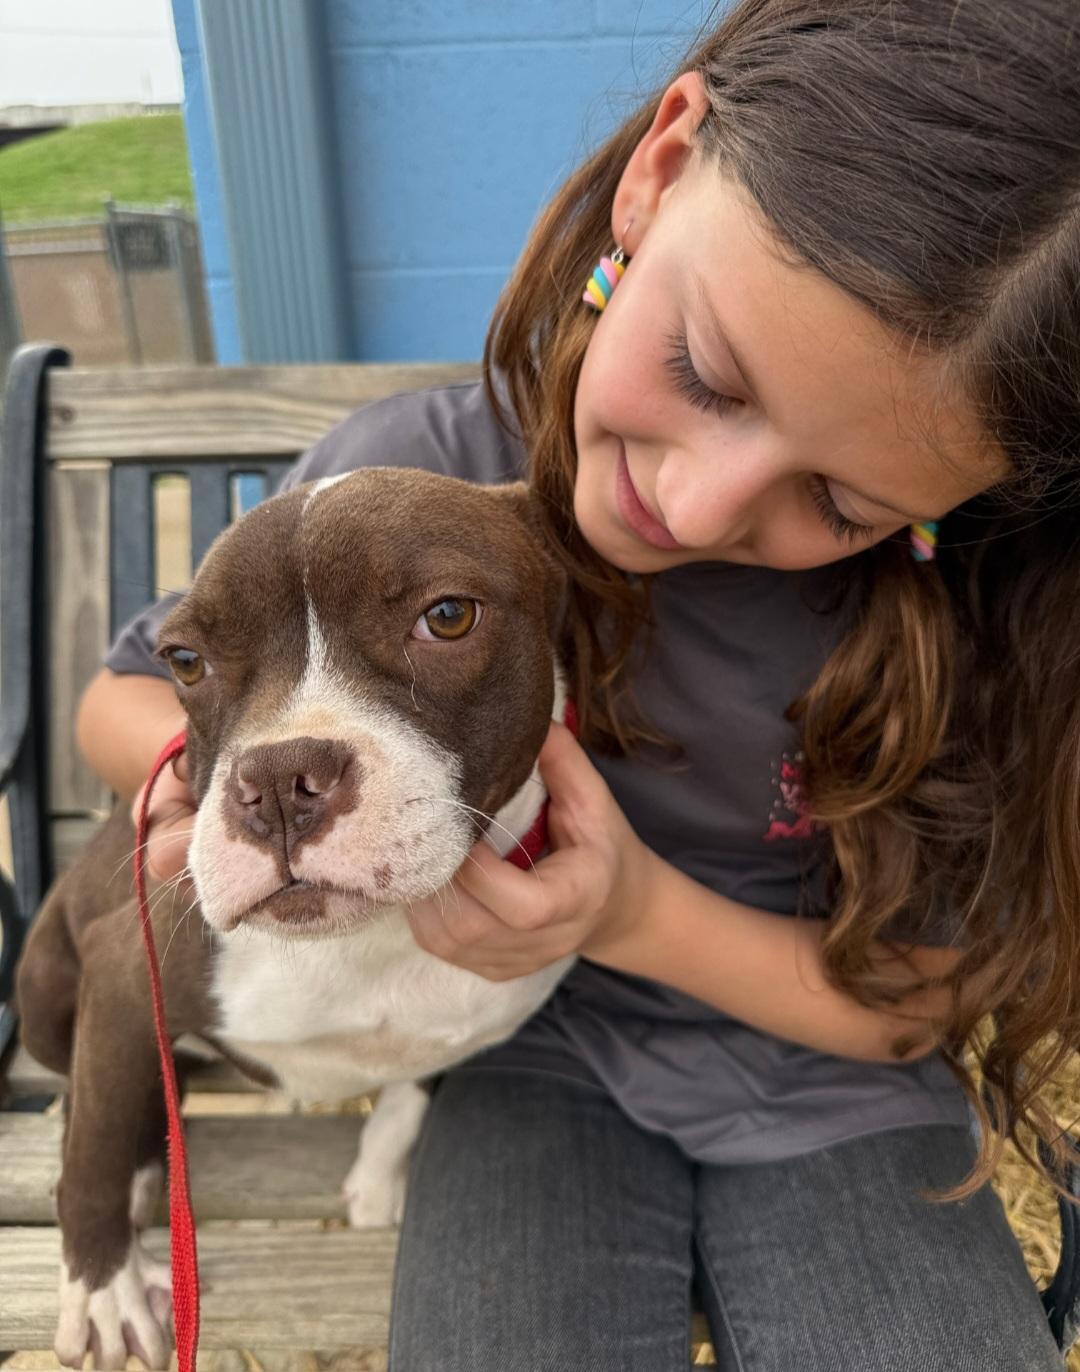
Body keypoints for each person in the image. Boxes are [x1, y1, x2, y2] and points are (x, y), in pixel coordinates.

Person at [76, 1, 1080, 1366]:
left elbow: (915, 1000)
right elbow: (139, 693)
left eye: (840, 496)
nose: (697, 498)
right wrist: (239, 797)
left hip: (823, 1072)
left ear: (971, 499)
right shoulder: (410, 481)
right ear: (662, 171)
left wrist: (621, 910)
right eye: (705, 370)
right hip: (501, 1057)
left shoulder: (975, 606)